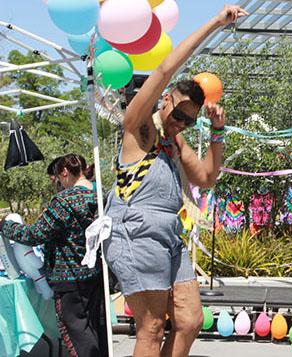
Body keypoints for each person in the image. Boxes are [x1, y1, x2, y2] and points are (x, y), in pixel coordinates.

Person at [102, 5, 247, 357]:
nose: (182, 122)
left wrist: (217, 131)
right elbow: (165, 69)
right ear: (165, 100)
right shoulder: (141, 128)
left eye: (190, 120)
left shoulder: (174, 142)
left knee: (190, 320)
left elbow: (207, 178)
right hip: (136, 233)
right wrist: (215, 22)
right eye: (180, 113)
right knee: (150, 328)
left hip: (169, 235)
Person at [1, 154, 107, 357]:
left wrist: (6, 226)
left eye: (57, 179)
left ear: (64, 172)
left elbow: (34, 234)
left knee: (77, 337)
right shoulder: (99, 194)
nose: (57, 184)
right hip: (94, 275)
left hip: (69, 278)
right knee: (94, 332)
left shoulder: (64, 200)